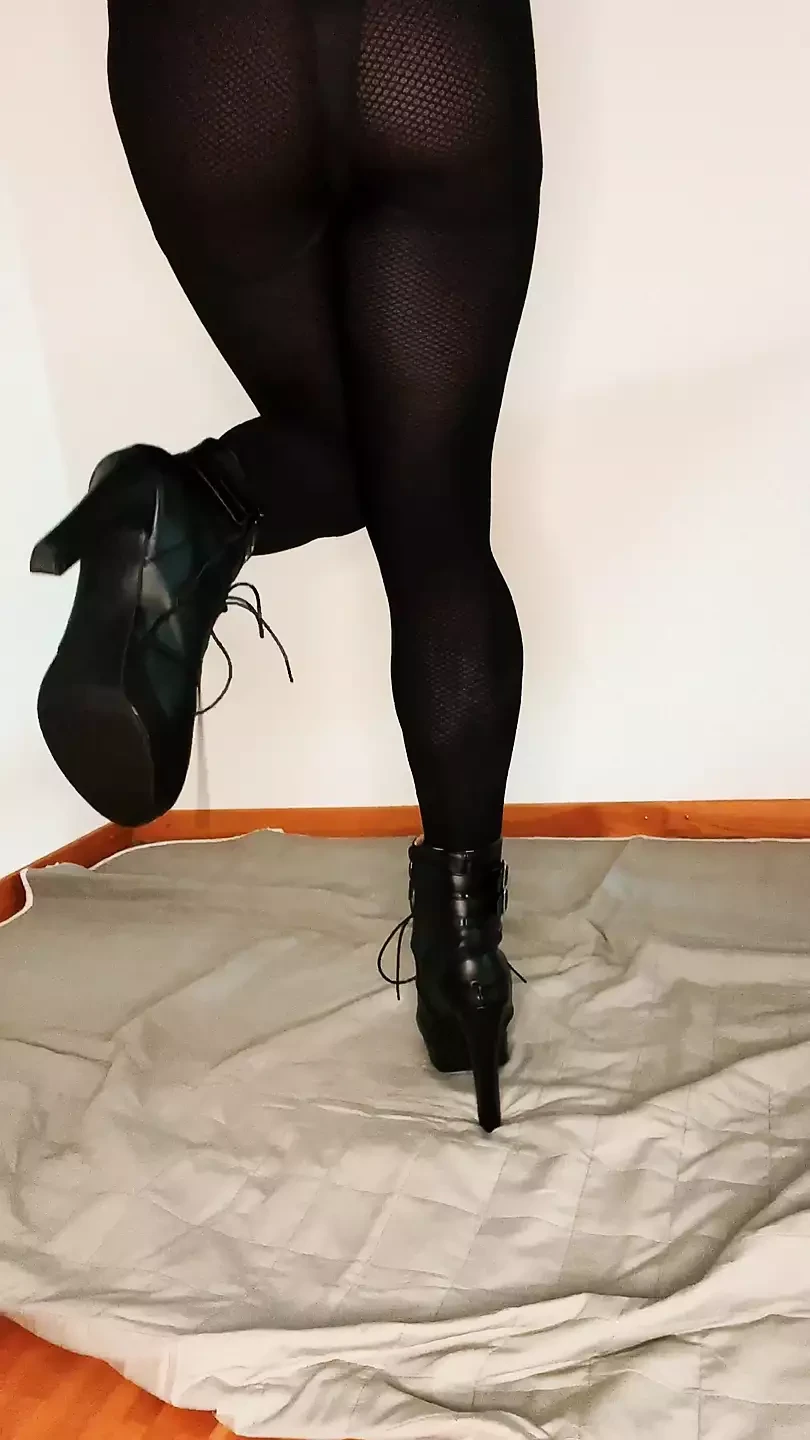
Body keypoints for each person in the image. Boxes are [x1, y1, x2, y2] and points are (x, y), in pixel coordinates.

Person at [30, 0, 542, 1131]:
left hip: (210, 50)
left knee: (375, 456)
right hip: (434, 40)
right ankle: (466, 963)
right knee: (432, 502)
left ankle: (190, 504)